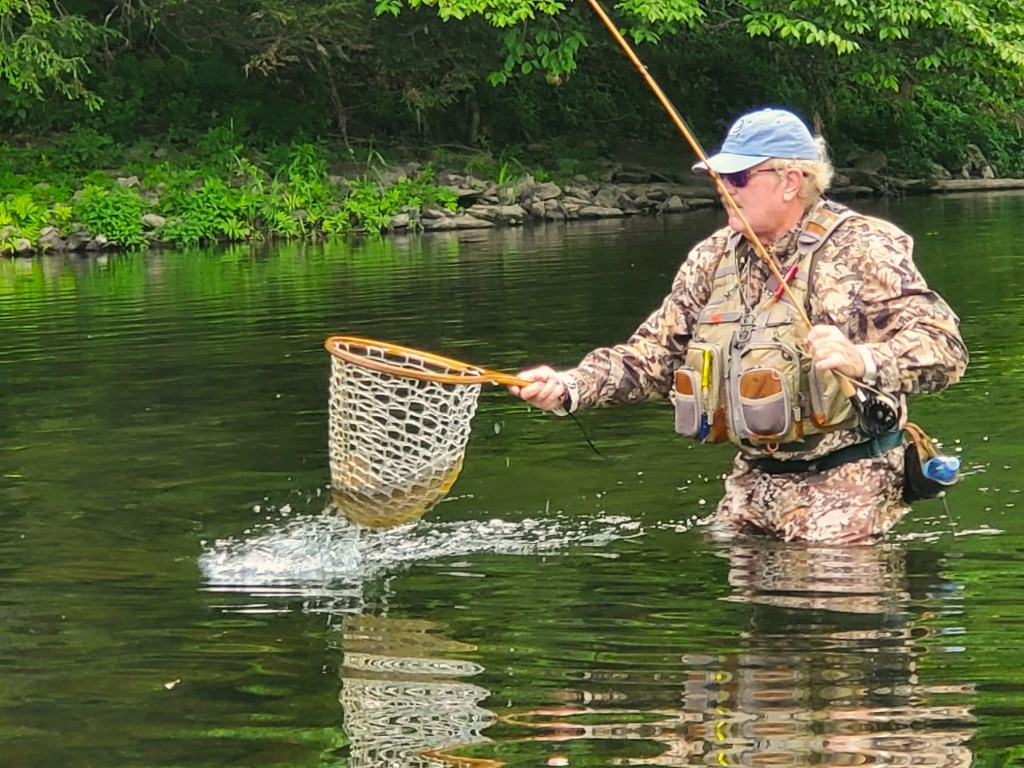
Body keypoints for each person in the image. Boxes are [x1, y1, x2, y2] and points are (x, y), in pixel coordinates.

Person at [511, 107, 968, 544]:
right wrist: (570, 386)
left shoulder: (862, 246)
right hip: (752, 483)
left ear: (791, 182)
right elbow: (655, 355)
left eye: (738, 178)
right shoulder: (712, 258)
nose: (724, 189)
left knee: (828, 589)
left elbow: (945, 348)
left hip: (849, 476)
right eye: (719, 178)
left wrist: (863, 359)